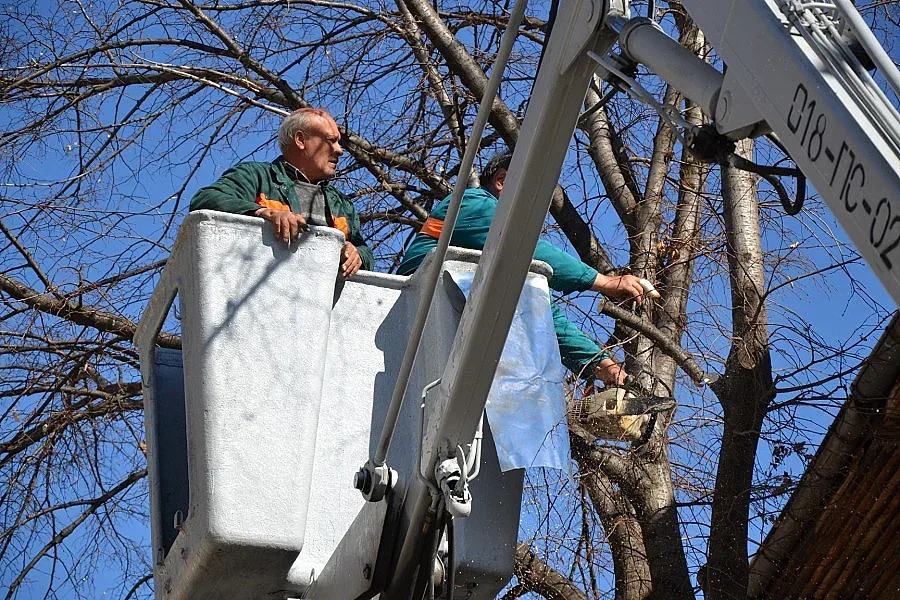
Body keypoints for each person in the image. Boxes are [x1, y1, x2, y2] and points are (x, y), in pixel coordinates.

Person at [397, 152, 647, 386]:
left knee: (531, 294)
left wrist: (604, 366)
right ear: (502, 181)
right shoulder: (471, 203)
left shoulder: (491, 265)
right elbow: (521, 245)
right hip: (412, 308)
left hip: (437, 323)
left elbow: (542, 312)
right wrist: (604, 282)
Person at [190, 107, 373, 278]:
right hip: (263, 294)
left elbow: (364, 251)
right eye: (331, 140)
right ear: (301, 140)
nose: (339, 150)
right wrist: (263, 212)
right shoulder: (257, 176)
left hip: (322, 305)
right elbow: (205, 200)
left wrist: (358, 255)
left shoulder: (340, 203)